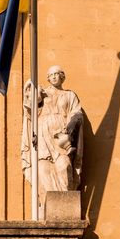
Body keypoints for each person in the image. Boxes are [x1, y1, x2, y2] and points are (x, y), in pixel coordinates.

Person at [22, 65, 83, 212]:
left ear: (62, 76)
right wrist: (29, 88)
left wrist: (72, 125)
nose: (54, 77)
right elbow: (30, 111)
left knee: (64, 165)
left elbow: (77, 112)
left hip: (61, 135)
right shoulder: (43, 93)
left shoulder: (70, 95)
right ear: (48, 78)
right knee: (43, 169)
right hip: (43, 134)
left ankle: (65, 205)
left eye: (57, 74)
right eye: (51, 75)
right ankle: (47, 206)